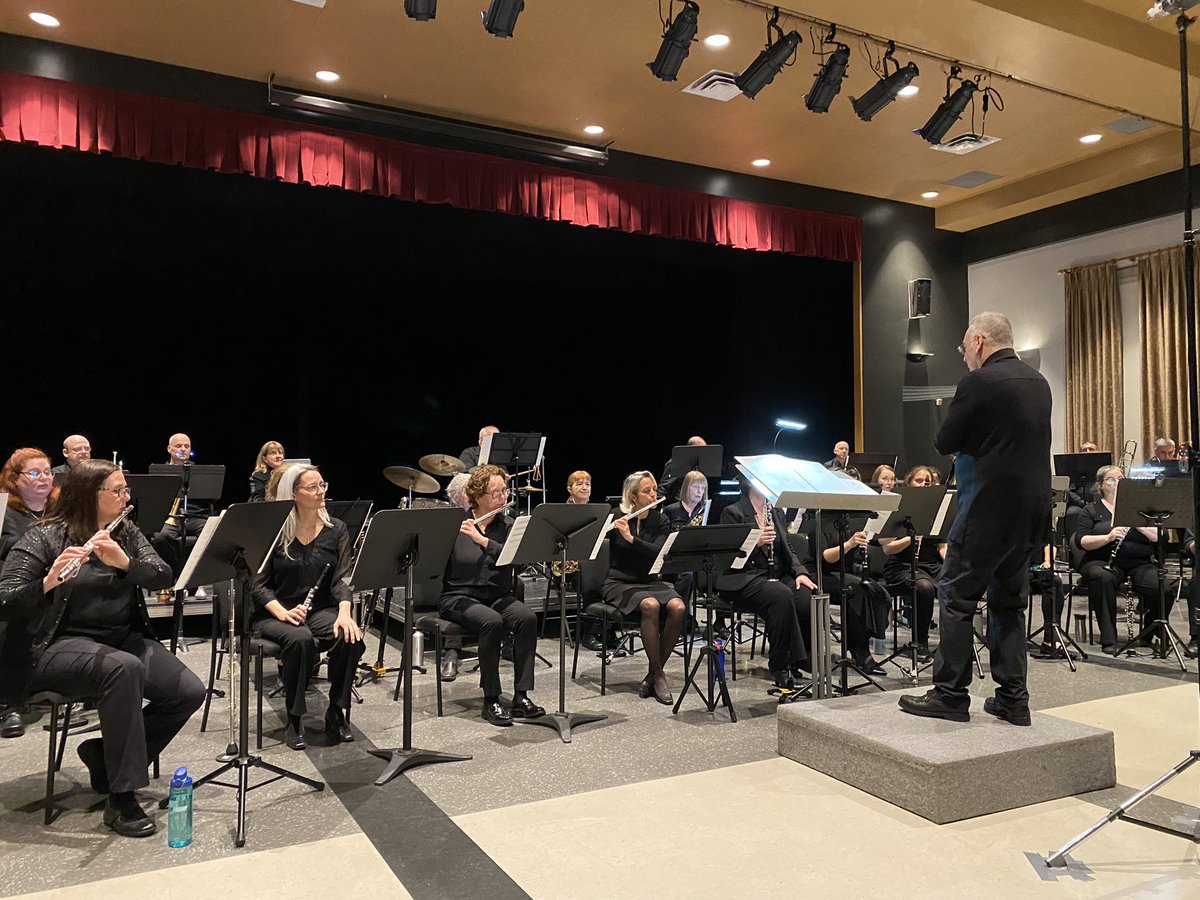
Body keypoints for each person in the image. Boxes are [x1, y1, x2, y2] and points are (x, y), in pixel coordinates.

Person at [0, 460, 206, 837]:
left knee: (188, 691)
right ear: (88, 495)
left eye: (126, 490)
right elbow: (5, 599)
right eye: (118, 491)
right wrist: (47, 583)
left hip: (119, 638)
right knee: (122, 669)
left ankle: (104, 757)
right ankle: (121, 797)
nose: (126, 497)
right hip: (55, 645)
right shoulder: (42, 537)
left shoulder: (124, 532)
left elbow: (163, 575)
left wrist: (125, 563)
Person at [899, 311, 1051, 727]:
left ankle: (949, 694)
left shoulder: (979, 381)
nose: (964, 355)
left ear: (980, 342)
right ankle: (1013, 699)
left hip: (986, 508)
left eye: (965, 347)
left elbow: (945, 439)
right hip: (1031, 510)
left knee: (956, 595)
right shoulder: (1038, 382)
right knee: (1009, 602)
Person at [250, 465, 365, 749]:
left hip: (319, 610)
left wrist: (345, 613)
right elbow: (258, 585)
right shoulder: (274, 533)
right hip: (275, 613)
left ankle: (336, 711)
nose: (321, 492)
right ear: (293, 493)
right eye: (312, 487)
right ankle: (295, 716)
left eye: (322, 485)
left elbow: (342, 580)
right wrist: (283, 611)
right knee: (300, 639)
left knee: (349, 637)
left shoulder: (335, 529)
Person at [438, 464, 544, 727]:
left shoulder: (509, 526)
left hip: (497, 594)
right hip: (458, 595)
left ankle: (521, 696)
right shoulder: (453, 525)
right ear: (477, 496)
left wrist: (483, 541)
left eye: (504, 491)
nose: (503, 497)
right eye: (495, 492)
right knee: (492, 622)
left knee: (527, 617)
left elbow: (514, 559)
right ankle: (491, 699)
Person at [716, 483, 814, 688]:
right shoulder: (733, 512)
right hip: (742, 577)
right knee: (781, 595)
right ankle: (779, 665)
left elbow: (787, 547)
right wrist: (755, 543)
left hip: (774, 573)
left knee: (805, 596)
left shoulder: (774, 510)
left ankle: (797, 659)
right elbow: (728, 557)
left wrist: (800, 572)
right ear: (751, 483)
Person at [602, 471, 686, 704]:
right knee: (649, 606)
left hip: (650, 581)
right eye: (646, 491)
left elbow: (658, 551)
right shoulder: (617, 516)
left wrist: (632, 539)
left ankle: (652, 674)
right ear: (633, 496)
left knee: (678, 606)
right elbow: (612, 553)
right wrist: (616, 533)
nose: (653, 495)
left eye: (654, 489)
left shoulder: (661, 520)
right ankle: (659, 676)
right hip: (620, 582)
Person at [0, 448, 62, 738]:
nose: (44, 478)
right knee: (14, 615)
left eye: (47, 472)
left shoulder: (59, 508)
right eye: (35, 473)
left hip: (56, 583)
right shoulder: (4, 510)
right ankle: (7, 704)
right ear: (15, 479)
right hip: (15, 585)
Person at [1072, 466, 1167, 655]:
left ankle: (1149, 632)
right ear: (1101, 485)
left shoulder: (1139, 509)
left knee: (1164, 587)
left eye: (1121, 478)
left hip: (1138, 562)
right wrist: (1108, 537)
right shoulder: (1091, 510)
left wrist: (1140, 526)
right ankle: (1109, 638)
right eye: (1111, 479)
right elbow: (1081, 541)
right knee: (1102, 578)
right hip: (1102, 560)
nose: (1117, 483)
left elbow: (1160, 537)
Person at [880, 466, 946, 662]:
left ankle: (951, 644)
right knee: (923, 587)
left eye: (928, 481)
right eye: (919, 480)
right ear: (908, 483)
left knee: (957, 582)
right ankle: (920, 643)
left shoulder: (936, 510)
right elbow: (887, 548)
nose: (924, 484)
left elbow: (943, 547)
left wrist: (955, 565)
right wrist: (911, 539)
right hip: (901, 566)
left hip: (932, 566)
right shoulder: (898, 508)